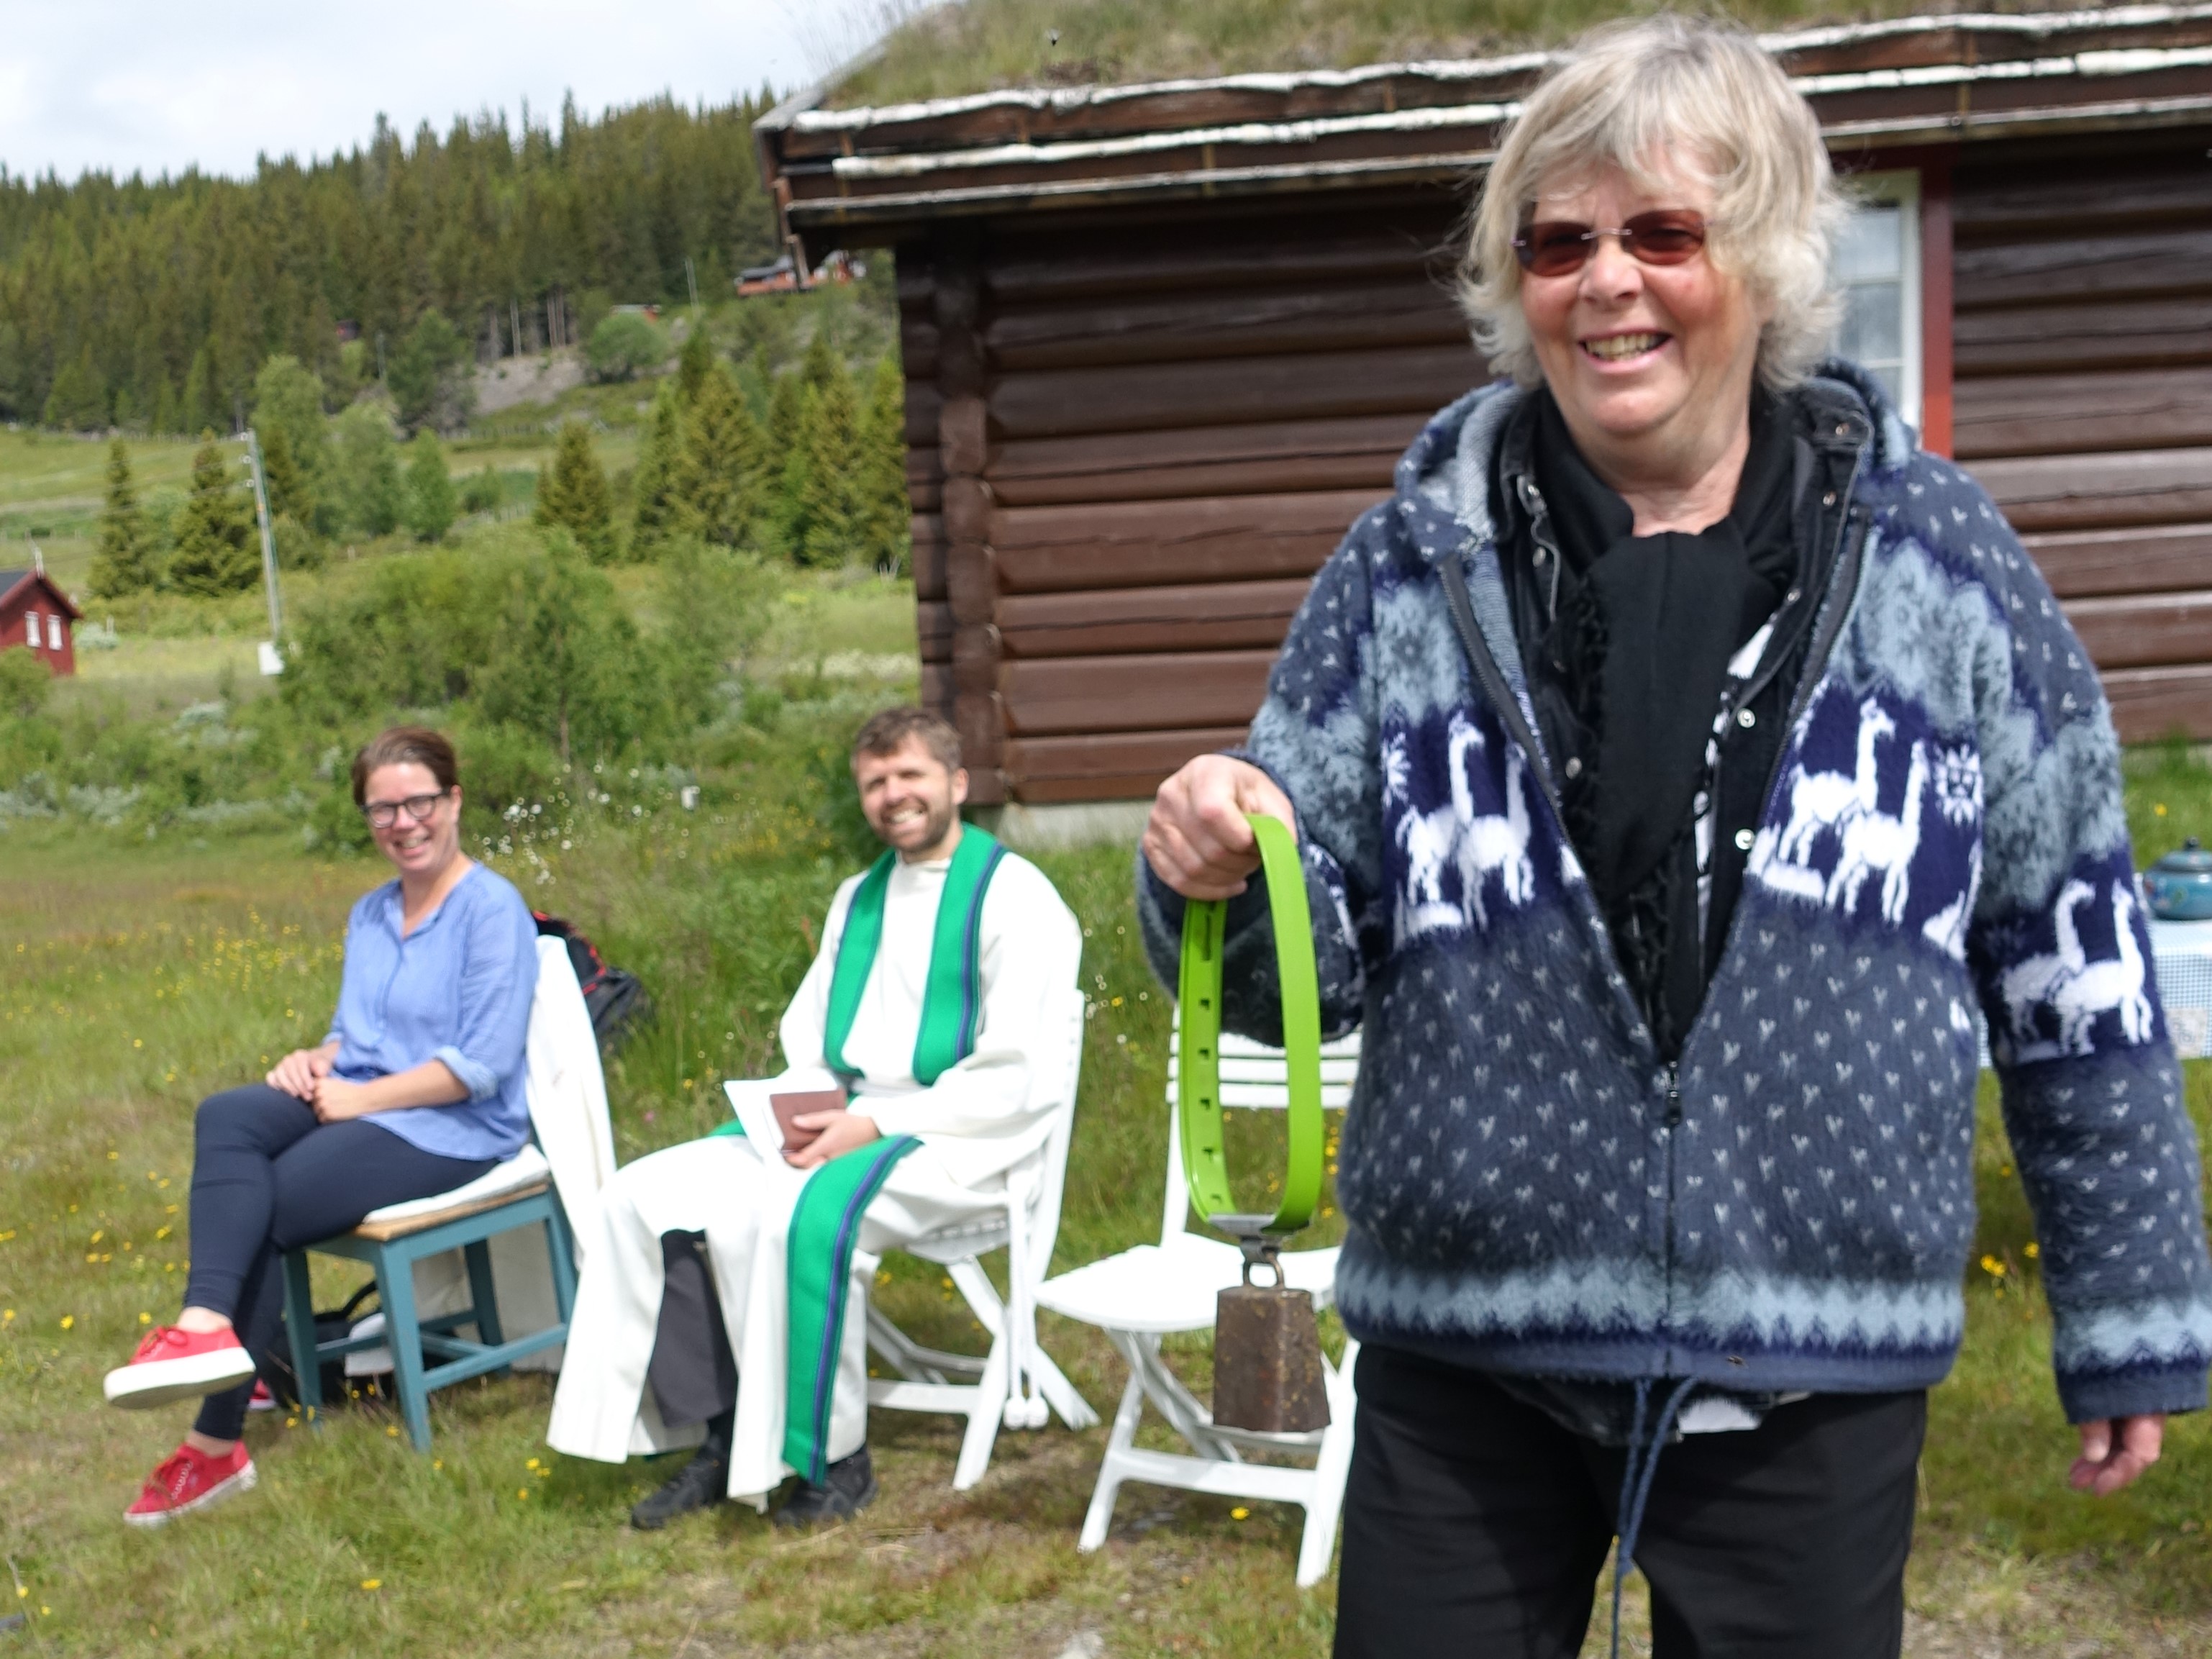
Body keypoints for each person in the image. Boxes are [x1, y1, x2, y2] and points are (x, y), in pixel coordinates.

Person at [1137, 17, 2211, 1658]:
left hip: (1815, 1352)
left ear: (1768, 267)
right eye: (1557, 243)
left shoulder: (1944, 567)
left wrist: (2130, 1312)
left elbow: (2072, 950)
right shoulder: (1404, 566)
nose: (1605, 283)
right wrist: (1208, 864)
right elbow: (1303, 970)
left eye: (1662, 234)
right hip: (1464, 1352)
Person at [547, 707, 1081, 1528]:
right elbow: (811, 1038)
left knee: (792, 1212)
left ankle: (831, 1460)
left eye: (911, 775)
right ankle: (720, 1433)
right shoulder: (857, 898)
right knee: (644, 1195)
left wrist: (867, 1128)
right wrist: (799, 1109)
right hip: (852, 1114)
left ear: (957, 783)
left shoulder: (1018, 899)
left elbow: (1018, 1072)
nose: (893, 794)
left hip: (968, 1137)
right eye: (875, 781)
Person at [102, 726, 540, 1527]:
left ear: (454, 801)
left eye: (419, 803)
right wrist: (314, 1058)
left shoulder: (492, 910)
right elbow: (357, 1034)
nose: (403, 823)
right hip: (359, 1094)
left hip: (453, 1125)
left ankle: (215, 1444)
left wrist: (360, 1100)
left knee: (270, 1201)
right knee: (227, 1112)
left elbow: (482, 1064)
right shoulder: (371, 913)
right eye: (383, 809)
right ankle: (205, 1326)